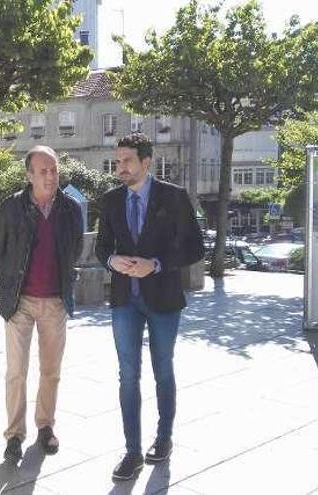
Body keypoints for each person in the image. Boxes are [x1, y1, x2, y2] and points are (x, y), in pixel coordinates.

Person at [95, 133, 204, 481]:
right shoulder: (111, 200)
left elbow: (195, 248)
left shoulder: (174, 197)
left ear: (146, 162)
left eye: (127, 160)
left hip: (164, 299)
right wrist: (113, 260)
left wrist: (155, 264)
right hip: (125, 299)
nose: (120, 166)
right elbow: (101, 248)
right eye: (118, 160)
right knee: (128, 375)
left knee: (163, 370)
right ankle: (132, 452)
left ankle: (164, 438)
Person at [0, 145, 83, 460]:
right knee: (16, 371)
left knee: (51, 370)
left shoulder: (70, 208)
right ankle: (14, 435)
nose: (50, 176)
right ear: (29, 175)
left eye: (54, 169)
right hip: (19, 302)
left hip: (55, 301)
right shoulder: (11, 207)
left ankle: (45, 426)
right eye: (42, 171)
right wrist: (13, 281)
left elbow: (76, 247)